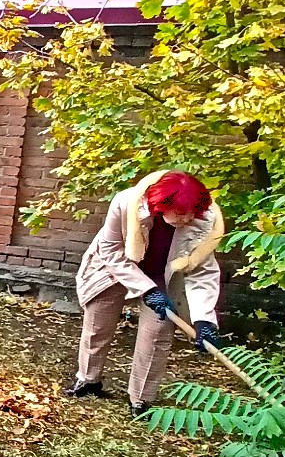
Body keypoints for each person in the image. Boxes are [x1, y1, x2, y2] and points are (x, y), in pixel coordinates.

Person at [66, 170, 224, 417]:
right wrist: (146, 289)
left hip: (162, 275)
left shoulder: (204, 221)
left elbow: (202, 271)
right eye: (180, 213)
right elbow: (110, 249)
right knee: (98, 324)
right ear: (161, 204)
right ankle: (88, 379)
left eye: (192, 213)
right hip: (115, 267)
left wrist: (204, 319)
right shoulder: (126, 203)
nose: (187, 219)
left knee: (158, 334)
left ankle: (140, 399)